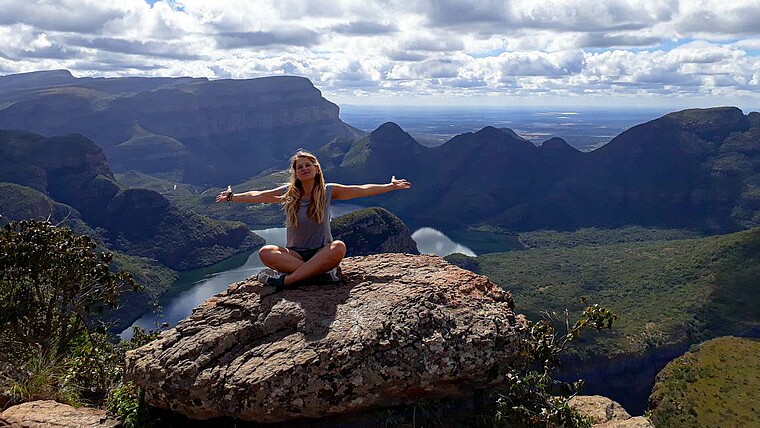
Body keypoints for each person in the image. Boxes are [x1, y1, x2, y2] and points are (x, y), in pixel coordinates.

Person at [215, 150, 411, 289]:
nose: (304, 169)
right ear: (296, 173)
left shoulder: (328, 191)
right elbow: (257, 195)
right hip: (295, 255)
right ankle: (320, 276)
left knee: (339, 247)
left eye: (308, 165)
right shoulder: (288, 193)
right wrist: (233, 197)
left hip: (322, 252)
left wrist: (389, 186)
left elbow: (361, 189)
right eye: (299, 167)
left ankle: (286, 281)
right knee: (266, 252)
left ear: (316, 169)